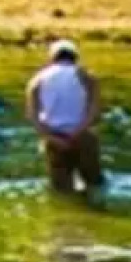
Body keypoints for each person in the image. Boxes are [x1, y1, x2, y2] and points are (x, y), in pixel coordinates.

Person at [25, 39, 104, 194]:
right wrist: (77, 133)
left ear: (51, 58)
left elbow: (32, 116)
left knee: (61, 191)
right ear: (75, 57)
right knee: (94, 186)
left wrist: (52, 138)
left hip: (54, 139)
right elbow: (94, 112)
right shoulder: (87, 76)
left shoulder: (36, 80)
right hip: (82, 137)